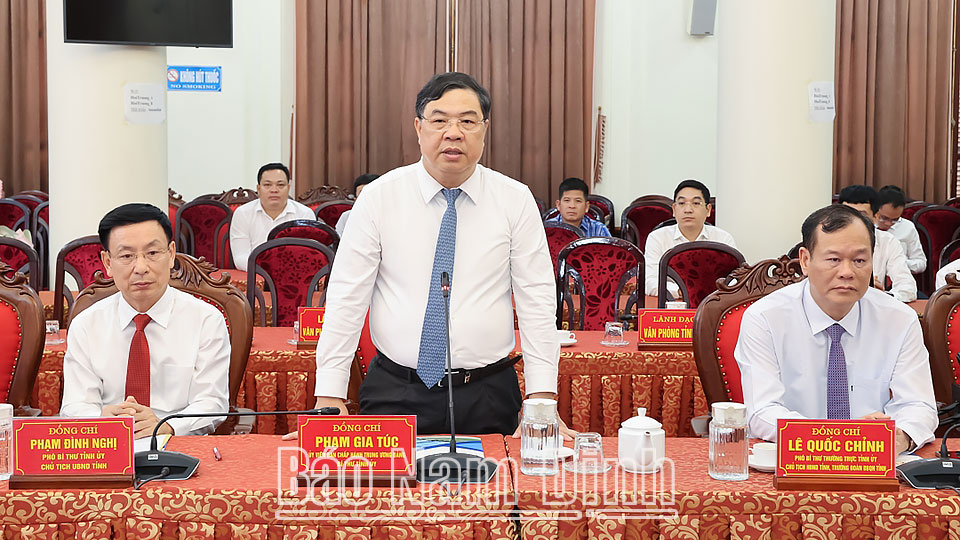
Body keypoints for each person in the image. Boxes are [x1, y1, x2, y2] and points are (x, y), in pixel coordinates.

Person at [312, 72, 569, 437]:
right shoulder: (379, 198)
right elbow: (346, 299)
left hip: (489, 392)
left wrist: (542, 399)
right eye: (439, 121)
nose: (453, 133)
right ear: (418, 128)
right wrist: (329, 395)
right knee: (389, 479)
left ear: (485, 129)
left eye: (467, 121)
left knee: (497, 477)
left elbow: (536, 300)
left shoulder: (514, 199)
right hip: (396, 391)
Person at [735, 204, 937, 453]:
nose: (847, 272)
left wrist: (900, 436)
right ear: (805, 260)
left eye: (859, 260)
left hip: (873, 459)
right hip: (794, 458)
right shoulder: (765, 318)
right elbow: (762, 411)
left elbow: (919, 405)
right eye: (833, 260)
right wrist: (834, 440)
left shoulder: (899, 319)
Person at [60, 203, 230, 439]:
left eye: (152, 253)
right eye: (126, 256)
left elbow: (212, 402)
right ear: (107, 263)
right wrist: (99, 417)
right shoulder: (86, 325)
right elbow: (74, 405)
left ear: (171, 254)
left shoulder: (206, 320)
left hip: (177, 443)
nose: (141, 268)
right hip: (107, 443)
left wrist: (166, 426)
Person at [643, 179, 736, 297]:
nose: (688, 210)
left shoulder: (723, 238)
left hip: (714, 302)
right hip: (673, 304)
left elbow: (736, 280)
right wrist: (683, 291)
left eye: (696, 203)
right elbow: (649, 281)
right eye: (682, 203)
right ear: (674, 209)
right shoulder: (658, 238)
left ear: (708, 210)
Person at [838, 185, 917, 302]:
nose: (852, 221)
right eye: (847, 214)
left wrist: (882, 296)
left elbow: (908, 288)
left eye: (861, 215)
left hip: (871, 305)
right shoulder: (824, 239)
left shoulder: (888, 241)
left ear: (875, 217)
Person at [229, 163, 315, 271]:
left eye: (280, 185)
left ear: (288, 188)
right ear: (258, 189)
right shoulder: (243, 213)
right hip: (255, 274)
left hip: (294, 274)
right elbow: (240, 256)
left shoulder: (305, 214)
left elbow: (308, 254)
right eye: (267, 185)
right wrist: (268, 269)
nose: (274, 190)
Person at [877, 185, 926, 274]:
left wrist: (901, 263)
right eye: (884, 218)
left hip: (899, 277)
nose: (889, 223)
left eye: (895, 219)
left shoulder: (907, 227)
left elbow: (921, 263)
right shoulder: (865, 226)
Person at [545, 177, 610, 237]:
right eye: (567, 200)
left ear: (586, 207)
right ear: (558, 205)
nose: (572, 206)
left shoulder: (599, 229)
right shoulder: (546, 229)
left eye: (578, 201)